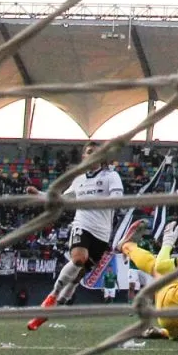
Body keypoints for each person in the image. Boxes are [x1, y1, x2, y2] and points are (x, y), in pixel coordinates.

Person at [26, 141, 125, 332]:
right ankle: (51, 298)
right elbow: (63, 199)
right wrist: (40, 195)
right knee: (79, 259)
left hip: (102, 233)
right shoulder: (79, 179)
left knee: (78, 276)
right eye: (88, 152)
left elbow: (118, 199)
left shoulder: (111, 176)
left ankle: (52, 309)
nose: (91, 155)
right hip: (82, 225)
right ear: (84, 157)